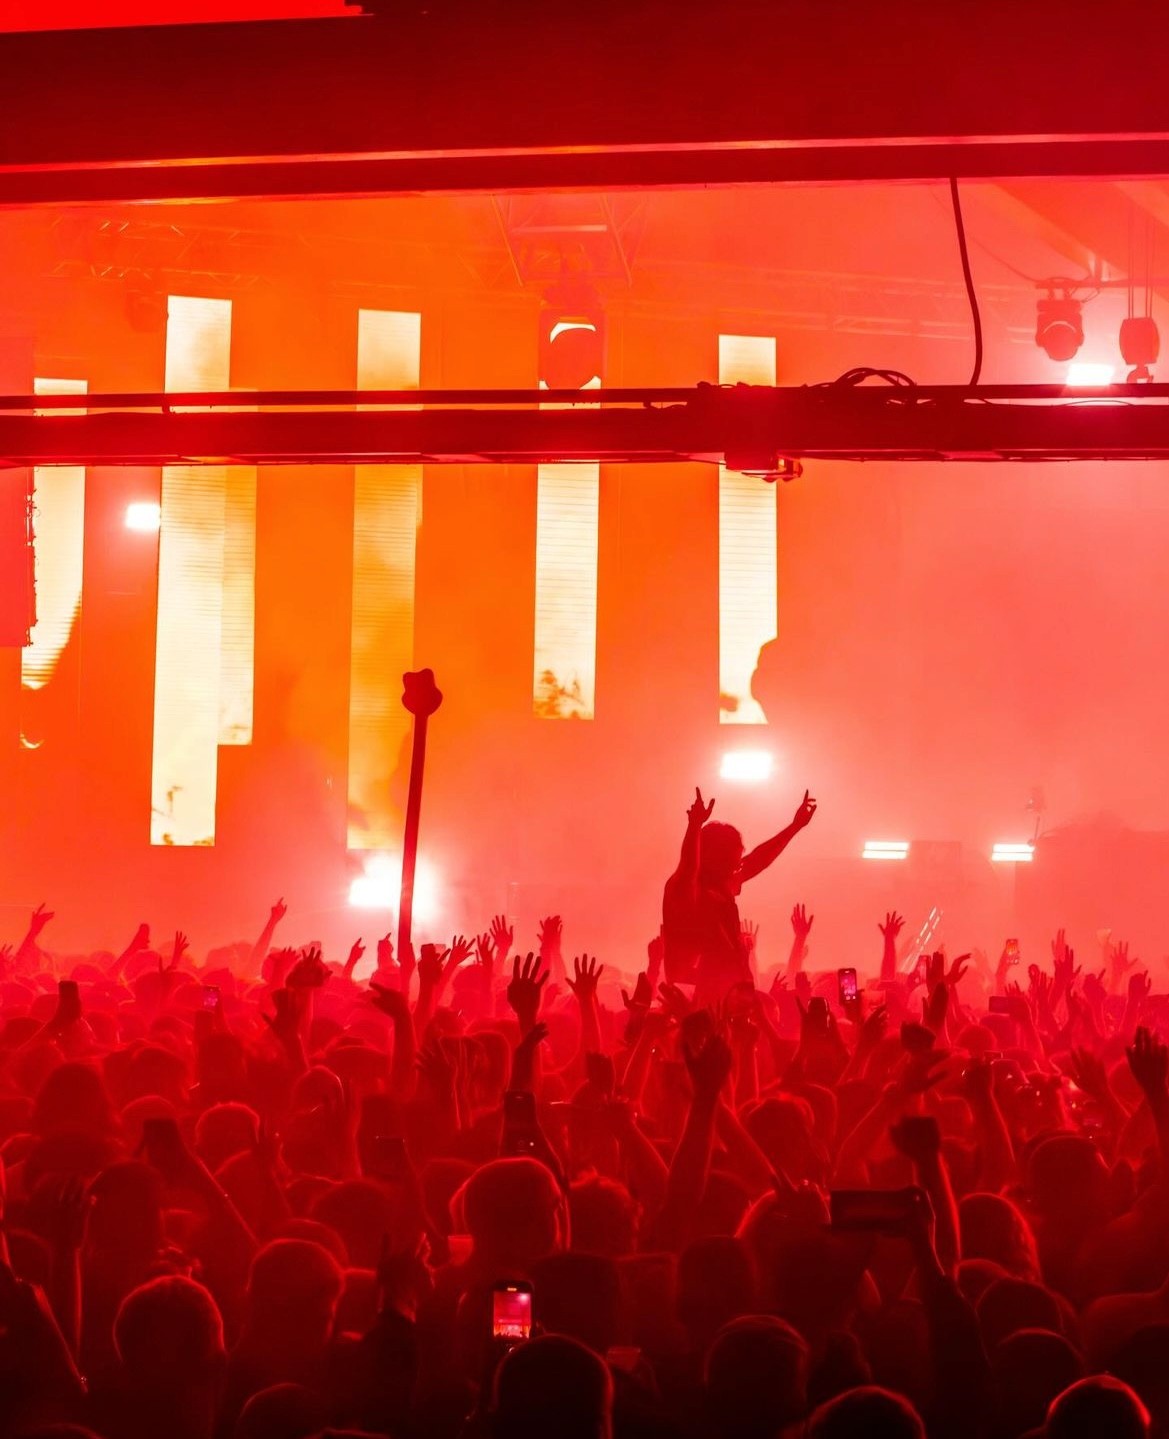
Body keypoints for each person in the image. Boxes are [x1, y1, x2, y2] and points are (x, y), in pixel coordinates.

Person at [662, 787, 816, 1001]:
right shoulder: (685, 887)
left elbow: (756, 861)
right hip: (692, 997)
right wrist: (694, 826)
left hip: (728, 993)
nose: (736, 867)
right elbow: (688, 867)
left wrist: (794, 827)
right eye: (730, 861)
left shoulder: (722, 884)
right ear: (711, 855)